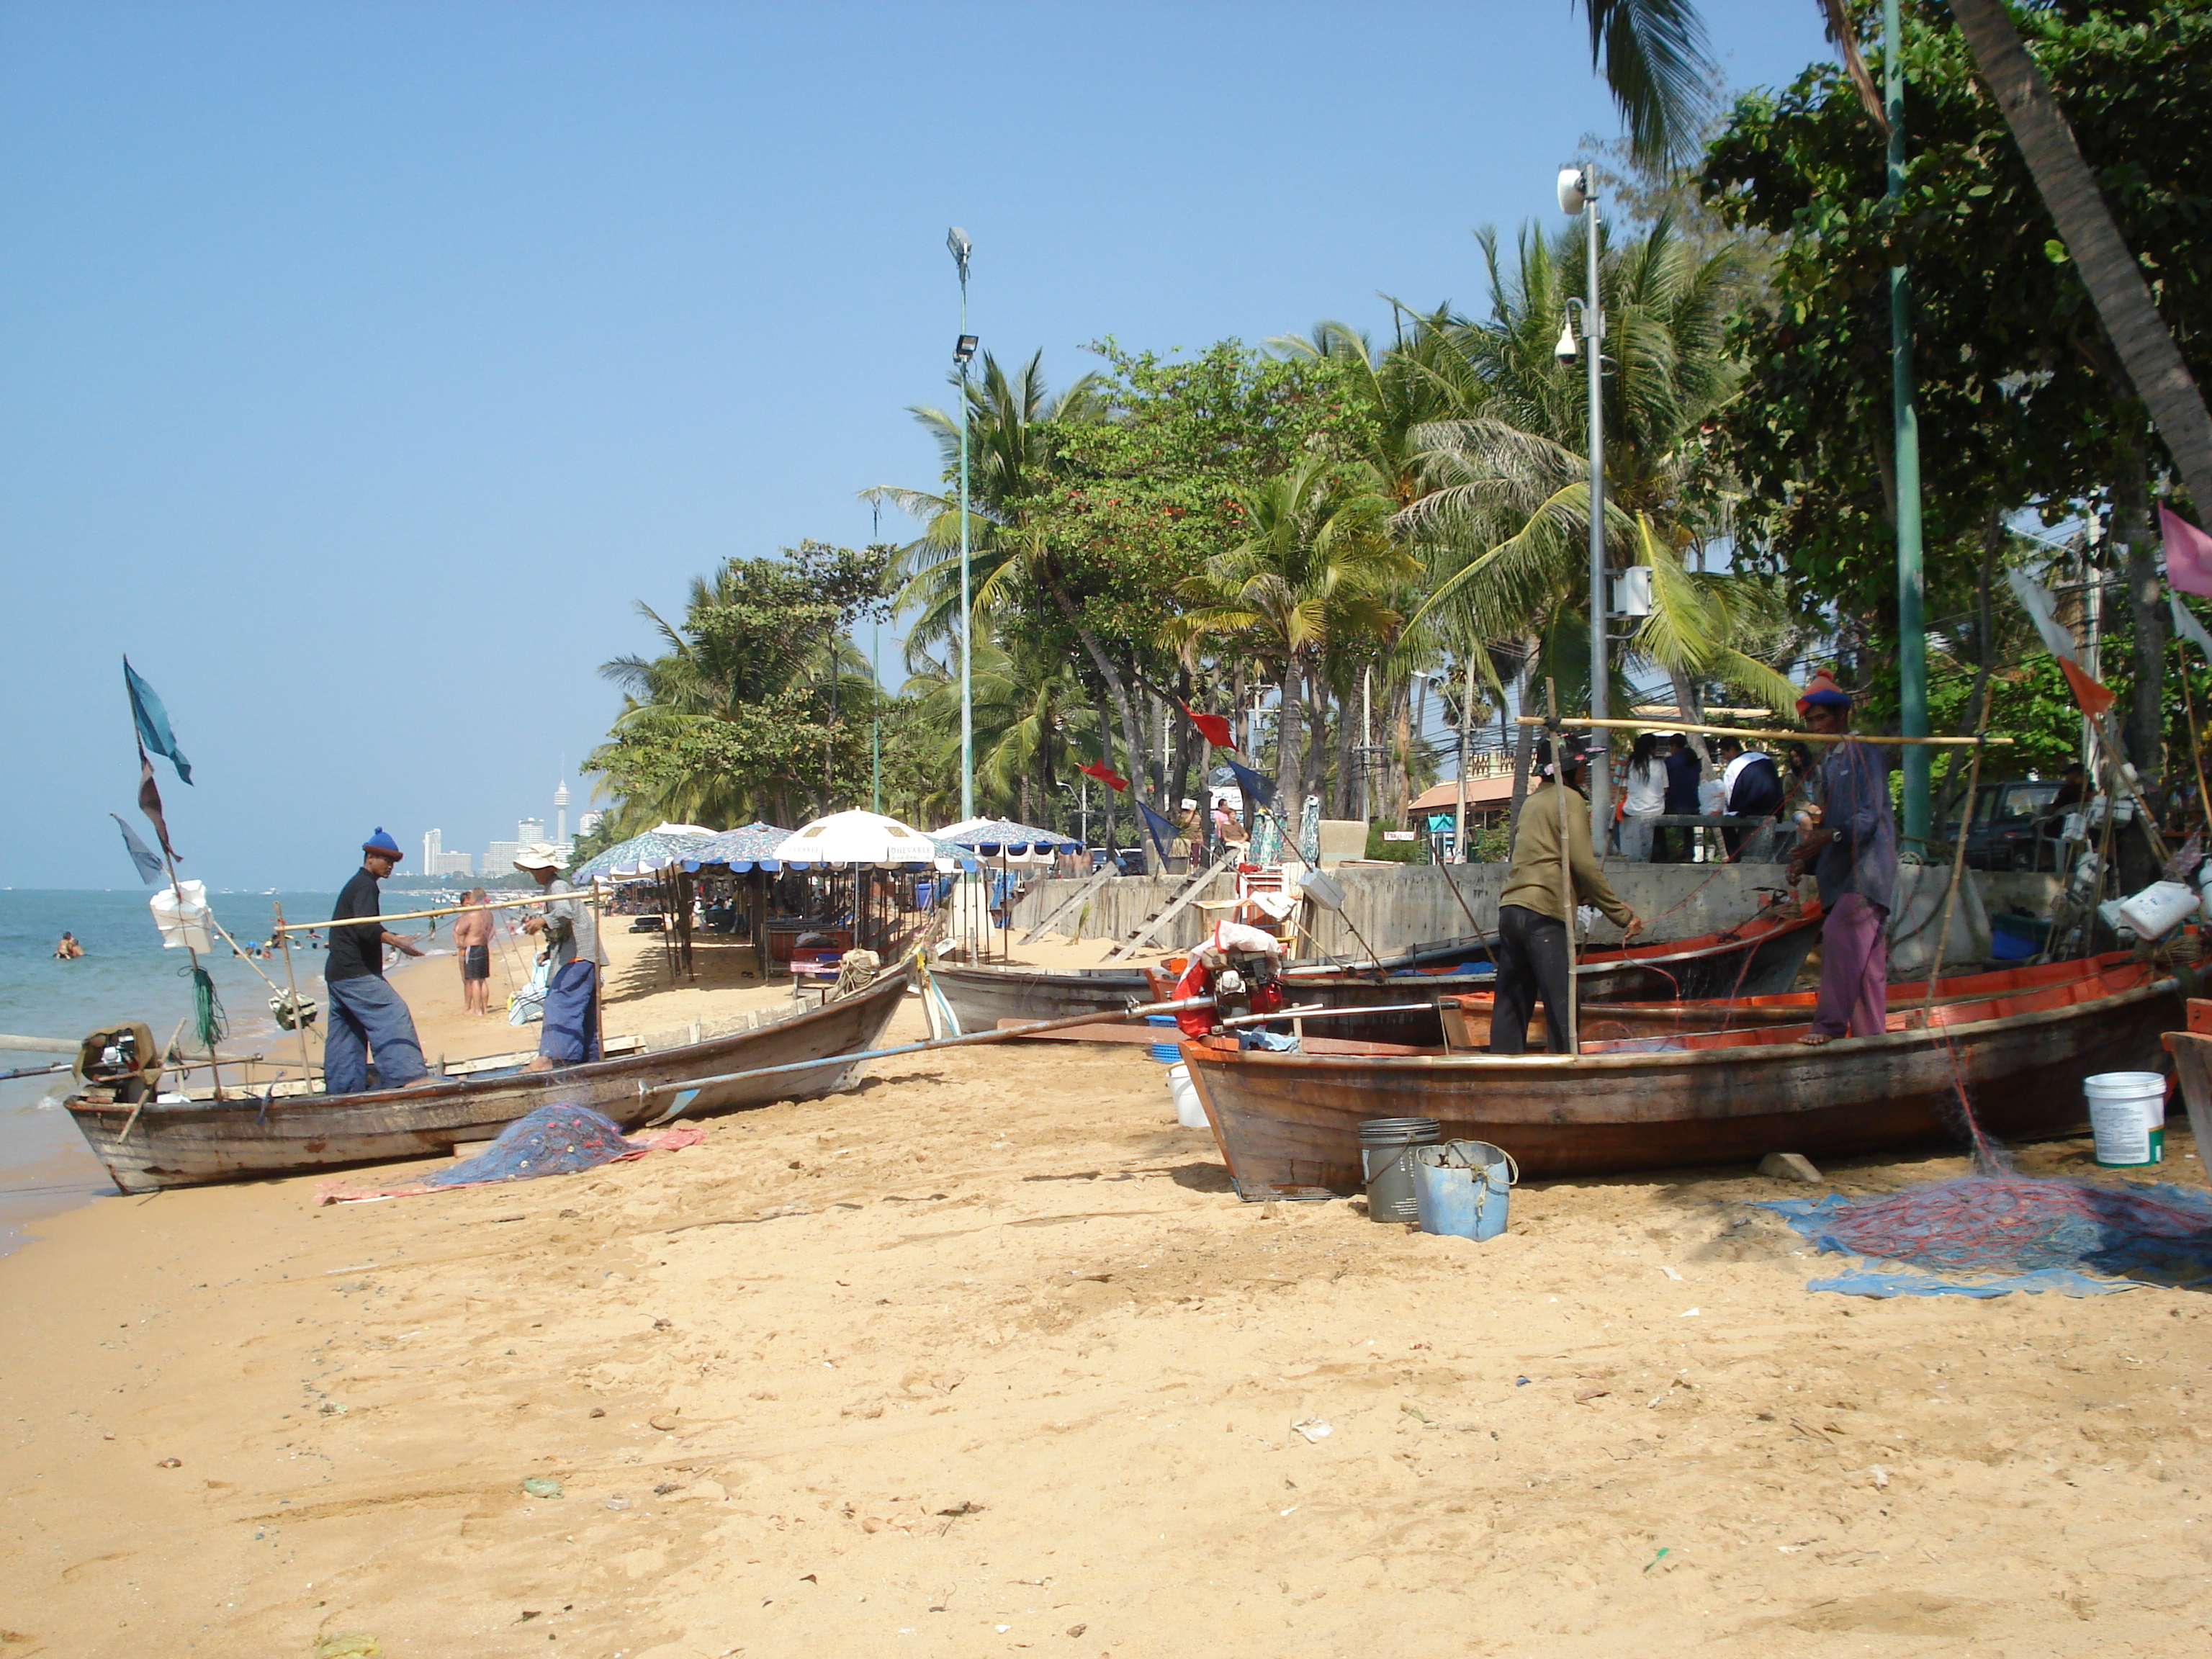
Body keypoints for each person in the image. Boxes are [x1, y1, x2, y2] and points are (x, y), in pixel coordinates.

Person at [1489, 739, 1645, 1055]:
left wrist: (1592, 899)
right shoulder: (1568, 799)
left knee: (1512, 1002)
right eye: (1582, 767)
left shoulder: (1533, 802)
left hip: (1513, 909)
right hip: (1544, 914)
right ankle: (1564, 1069)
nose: (1585, 772)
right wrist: (1621, 915)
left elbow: (1550, 861)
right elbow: (1584, 864)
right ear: (1570, 770)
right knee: (1563, 1002)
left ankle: (1504, 1065)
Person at [1785, 671, 1899, 1046]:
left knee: (1839, 938)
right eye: (1812, 721)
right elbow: (1829, 826)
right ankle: (1873, 1040)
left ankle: (1828, 1026)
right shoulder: (1829, 764)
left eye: (1823, 718)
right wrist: (1808, 859)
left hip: (1866, 872)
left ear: (1841, 718)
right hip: (1842, 873)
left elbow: (1869, 816)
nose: (1817, 727)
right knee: (1867, 967)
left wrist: (1826, 837)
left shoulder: (1865, 753)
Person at [323, 828, 431, 1093]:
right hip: (354, 973)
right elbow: (365, 927)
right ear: (370, 857)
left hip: (338, 973)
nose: (390, 867)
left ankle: (343, 1090)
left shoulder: (359, 885)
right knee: (392, 1013)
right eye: (386, 860)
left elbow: (367, 928)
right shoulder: (365, 886)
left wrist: (393, 938)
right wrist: (397, 941)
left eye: (393, 863)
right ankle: (406, 1076)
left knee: (347, 1031)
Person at [516, 843, 606, 1070]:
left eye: (536, 869)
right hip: (580, 953)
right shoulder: (553, 888)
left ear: (548, 868)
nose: (533, 873)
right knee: (584, 1012)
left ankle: (551, 1057)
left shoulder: (557, 886)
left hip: (578, 955)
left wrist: (542, 920)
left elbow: (565, 913)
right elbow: (565, 926)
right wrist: (548, 952)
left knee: (559, 1002)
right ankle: (588, 1060)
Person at [1714, 734, 1786, 859]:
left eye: (1724, 753)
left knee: (1725, 822)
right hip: (1775, 806)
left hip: (1752, 808)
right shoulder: (1764, 757)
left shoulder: (1735, 766)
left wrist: (1728, 811)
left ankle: (1735, 857)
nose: (1724, 758)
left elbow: (1729, 792)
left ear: (1731, 749)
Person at [1619, 733, 1665, 860]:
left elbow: (1623, 789)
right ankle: (1657, 853)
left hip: (1633, 810)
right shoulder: (1660, 764)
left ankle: (1622, 850)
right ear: (1652, 748)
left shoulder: (1630, 765)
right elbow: (1665, 788)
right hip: (1656, 810)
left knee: (1612, 820)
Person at [1658, 733, 1703, 862]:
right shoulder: (1694, 760)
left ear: (1674, 746)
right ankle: (1688, 853)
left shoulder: (1670, 762)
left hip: (1675, 801)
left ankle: (1661, 852)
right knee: (1688, 828)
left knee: (1655, 821)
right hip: (1693, 802)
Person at [452, 888, 494, 1015]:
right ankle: (484, 1009)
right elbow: (492, 930)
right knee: (482, 979)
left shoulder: (472, 914)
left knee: (475, 980)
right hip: (483, 946)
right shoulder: (488, 914)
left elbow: (459, 930)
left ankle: (477, 1009)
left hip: (472, 947)